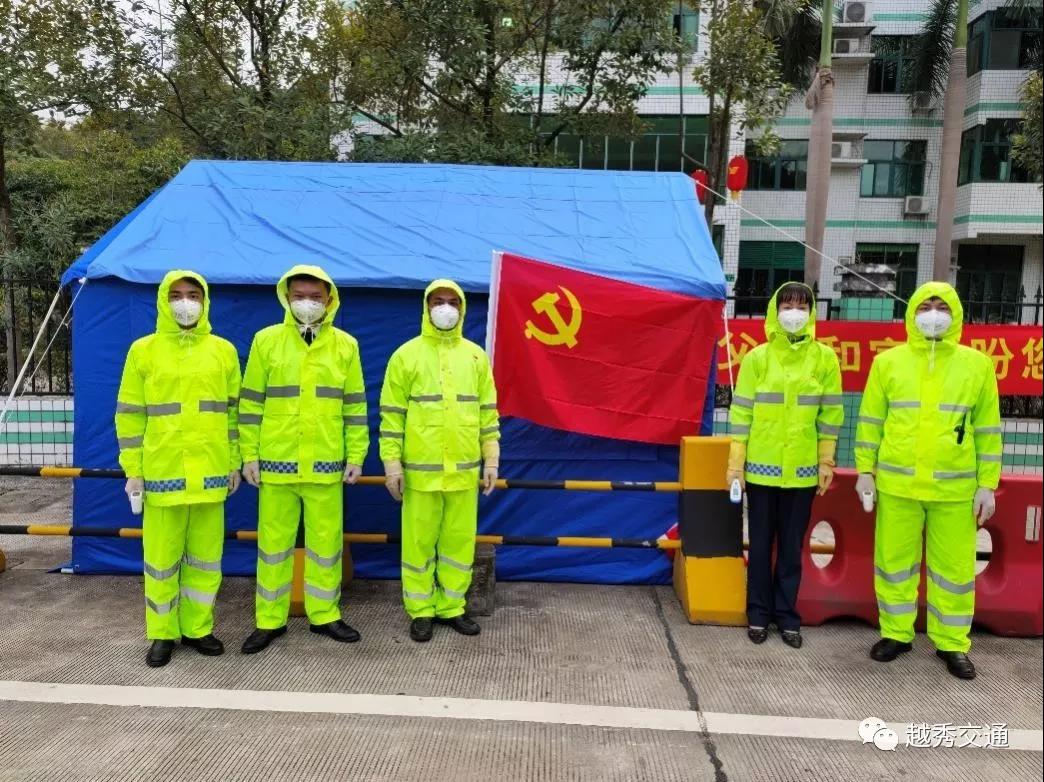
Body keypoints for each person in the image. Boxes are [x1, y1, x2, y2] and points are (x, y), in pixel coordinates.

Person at [855, 282, 1001, 680]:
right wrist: (865, 470)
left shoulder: (977, 365)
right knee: (894, 565)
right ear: (911, 314)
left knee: (954, 571)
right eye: (925, 306)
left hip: (954, 491)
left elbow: (988, 429)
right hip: (898, 486)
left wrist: (988, 484)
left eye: (942, 306)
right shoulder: (889, 363)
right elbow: (870, 421)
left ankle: (952, 643)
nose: (933, 314)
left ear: (955, 315)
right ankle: (895, 634)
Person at [238, 265, 369, 654]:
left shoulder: (346, 345)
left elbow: (355, 406)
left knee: (326, 546)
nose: (307, 303)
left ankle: (324, 615)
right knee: (273, 547)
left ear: (329, 300)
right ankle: (269, 620)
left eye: (315, 297)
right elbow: (251, 404)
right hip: (276, 465)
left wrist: (357, 453)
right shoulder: (266, 341)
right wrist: (249, 455)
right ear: (286, 297)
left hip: (326, 465)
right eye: (299, 296)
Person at [115, 270, 242, 668]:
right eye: (176, 295)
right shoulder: (143, 351)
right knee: (161, 560)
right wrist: (133, 470)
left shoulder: (223, 351)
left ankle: (198, 628)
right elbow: (129, 416)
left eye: (193, 295)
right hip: (162, 474)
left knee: (206, 559)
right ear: (162, 301)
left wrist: (234, 462)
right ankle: (162, 632)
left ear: (205, 302)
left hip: (210, 474)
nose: (185, 302)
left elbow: (233, 415)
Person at [379, 279, 500, 642]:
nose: (445, 308)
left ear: (462, 308)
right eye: (438, 302)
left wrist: (491, 459)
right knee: (418, 544)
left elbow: (488, 413)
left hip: (463, 473)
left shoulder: (476, 357)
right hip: (420, 474)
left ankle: (452, 606)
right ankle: (420, 610)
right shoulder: (406, 356)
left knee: (458, 544)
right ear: (426, 307)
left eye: (452, 302)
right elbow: (391, 416)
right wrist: (392, 465)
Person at [726, 282, 843, 649]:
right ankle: (758, 614)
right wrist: (735, 466)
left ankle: (787, 615)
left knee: (791, 549)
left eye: (801, 306)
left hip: (803, 473)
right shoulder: (758, 358)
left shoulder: (824, 359)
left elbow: (830, 417)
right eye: (787, 305)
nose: (794, 312)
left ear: (811, 312)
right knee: (760, 547)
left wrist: (825, 461)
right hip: (761, 471)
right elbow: (741, 415)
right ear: (775, 311)